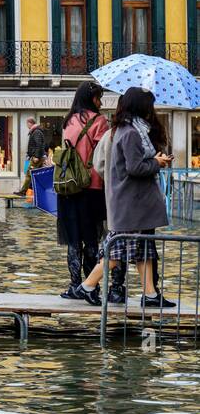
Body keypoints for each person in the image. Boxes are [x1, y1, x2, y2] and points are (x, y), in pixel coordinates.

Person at [74, 87, 175, 309]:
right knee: (117, 251)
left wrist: (155, 160)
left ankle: (149, 294)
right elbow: (135, 167)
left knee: (143, 250)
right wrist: (156, 163)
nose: (152, 109)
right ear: (141, 107)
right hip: (131, 204)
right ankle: (88, 285)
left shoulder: (128, 129)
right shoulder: (130, 133)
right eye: (149, 105)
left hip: (134, 203)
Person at [55, 82, 109, 303]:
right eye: (98, 98)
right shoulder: (100, 121)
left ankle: (74, 285)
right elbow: (103, 154)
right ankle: (91, 288)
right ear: (91, 99)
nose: (100, 102)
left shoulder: (69, 120)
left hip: (69, 186)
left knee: (73, 240)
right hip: (92, 186)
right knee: (93, 240)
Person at [18, 117, 48, 197]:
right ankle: (41, 191)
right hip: (39, 157)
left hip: (37, 158)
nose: (27, 125)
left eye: (27, 123)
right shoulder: (36, 131)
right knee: (38, 175)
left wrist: (36, 156)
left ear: (30, 123)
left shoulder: (36, 132)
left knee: (29, 174)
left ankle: (23, 191)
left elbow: (39, 145)